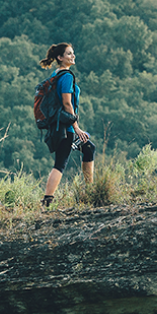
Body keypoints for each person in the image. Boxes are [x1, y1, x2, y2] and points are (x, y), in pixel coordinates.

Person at [38, 43, 95, 209]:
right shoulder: (67, 76)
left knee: (88, 148)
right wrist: (76, 127)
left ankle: (89, 190)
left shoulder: (54, 75)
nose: (73, 56)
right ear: (60, 58)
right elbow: (67, 103)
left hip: (58, 126)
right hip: (66, 127)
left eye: (73, 53)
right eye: (69, 54)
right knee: (60, 163)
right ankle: (47, 200)